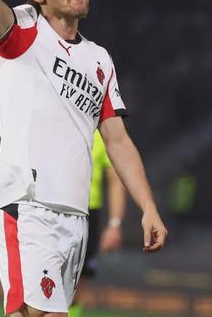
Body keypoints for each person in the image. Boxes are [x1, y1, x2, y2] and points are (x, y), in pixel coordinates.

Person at [0, 0, 168, 317]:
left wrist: (148, 207)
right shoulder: (25, 29)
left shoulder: (99, 60)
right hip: (30, 206)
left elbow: (118, 141)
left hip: (76, 216)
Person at [69, 130, 126, 317]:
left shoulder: (101, 135)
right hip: (55, 209)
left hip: (88, 214)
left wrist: (114, 225)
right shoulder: (58, 125)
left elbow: (115, 180)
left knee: (78, 283)